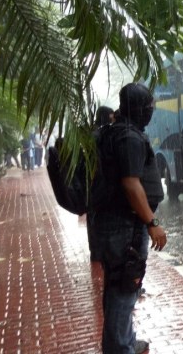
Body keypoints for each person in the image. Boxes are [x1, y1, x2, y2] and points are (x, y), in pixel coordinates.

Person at [93, 83, 166, 353]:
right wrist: (152, 223)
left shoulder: (114, 132)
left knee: (119, 286)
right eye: (148, 108)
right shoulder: (129, 138)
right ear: (137, 108)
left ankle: (123, 341)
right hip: (125, 227)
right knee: (125, 287)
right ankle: (120, 348)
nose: (150, 112)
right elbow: (131, 184)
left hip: (115, 225)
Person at [86, 105, 115, 263]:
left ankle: (96, 251)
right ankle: (102, 252)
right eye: (110, 116)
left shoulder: (93, 133)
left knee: (93, 218)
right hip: (100, 182)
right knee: (100, 218)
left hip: (92, 182)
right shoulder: (102, 134)